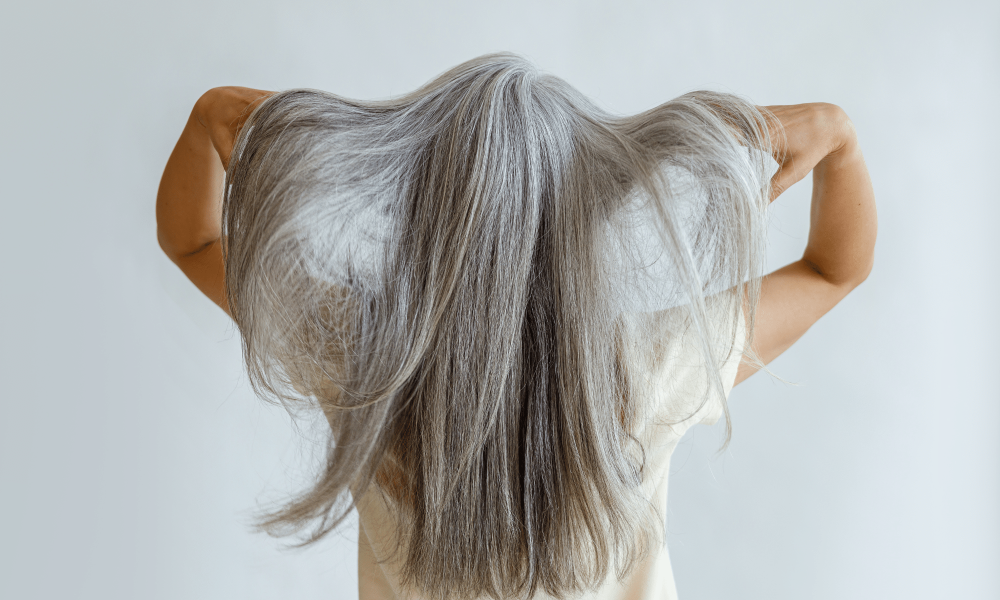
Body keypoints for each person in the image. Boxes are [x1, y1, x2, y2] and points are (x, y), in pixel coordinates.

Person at [156, 53, 876, 600]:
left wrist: (212, 114)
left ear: (419, 210)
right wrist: (837, 138)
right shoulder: (650, 364)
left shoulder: (363, 358)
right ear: (587, 213)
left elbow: (191, 242)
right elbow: (833, 270)